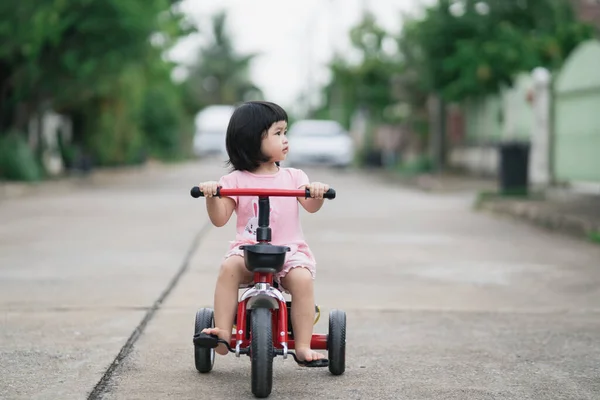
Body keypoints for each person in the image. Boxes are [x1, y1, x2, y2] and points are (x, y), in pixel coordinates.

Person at [198, 101, 330, 365]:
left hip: (288, 252)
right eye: (278, 133)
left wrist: (316, 191)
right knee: (228, 269)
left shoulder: (294, 177)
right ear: (251, 140)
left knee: (303, 280)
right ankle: (223, 332)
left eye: (285, 132)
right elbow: (220, 218)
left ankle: (302, 346)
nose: (285, 139)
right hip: (249, 252)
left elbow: (311, 207)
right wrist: (212, 195)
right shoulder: (234, 181)